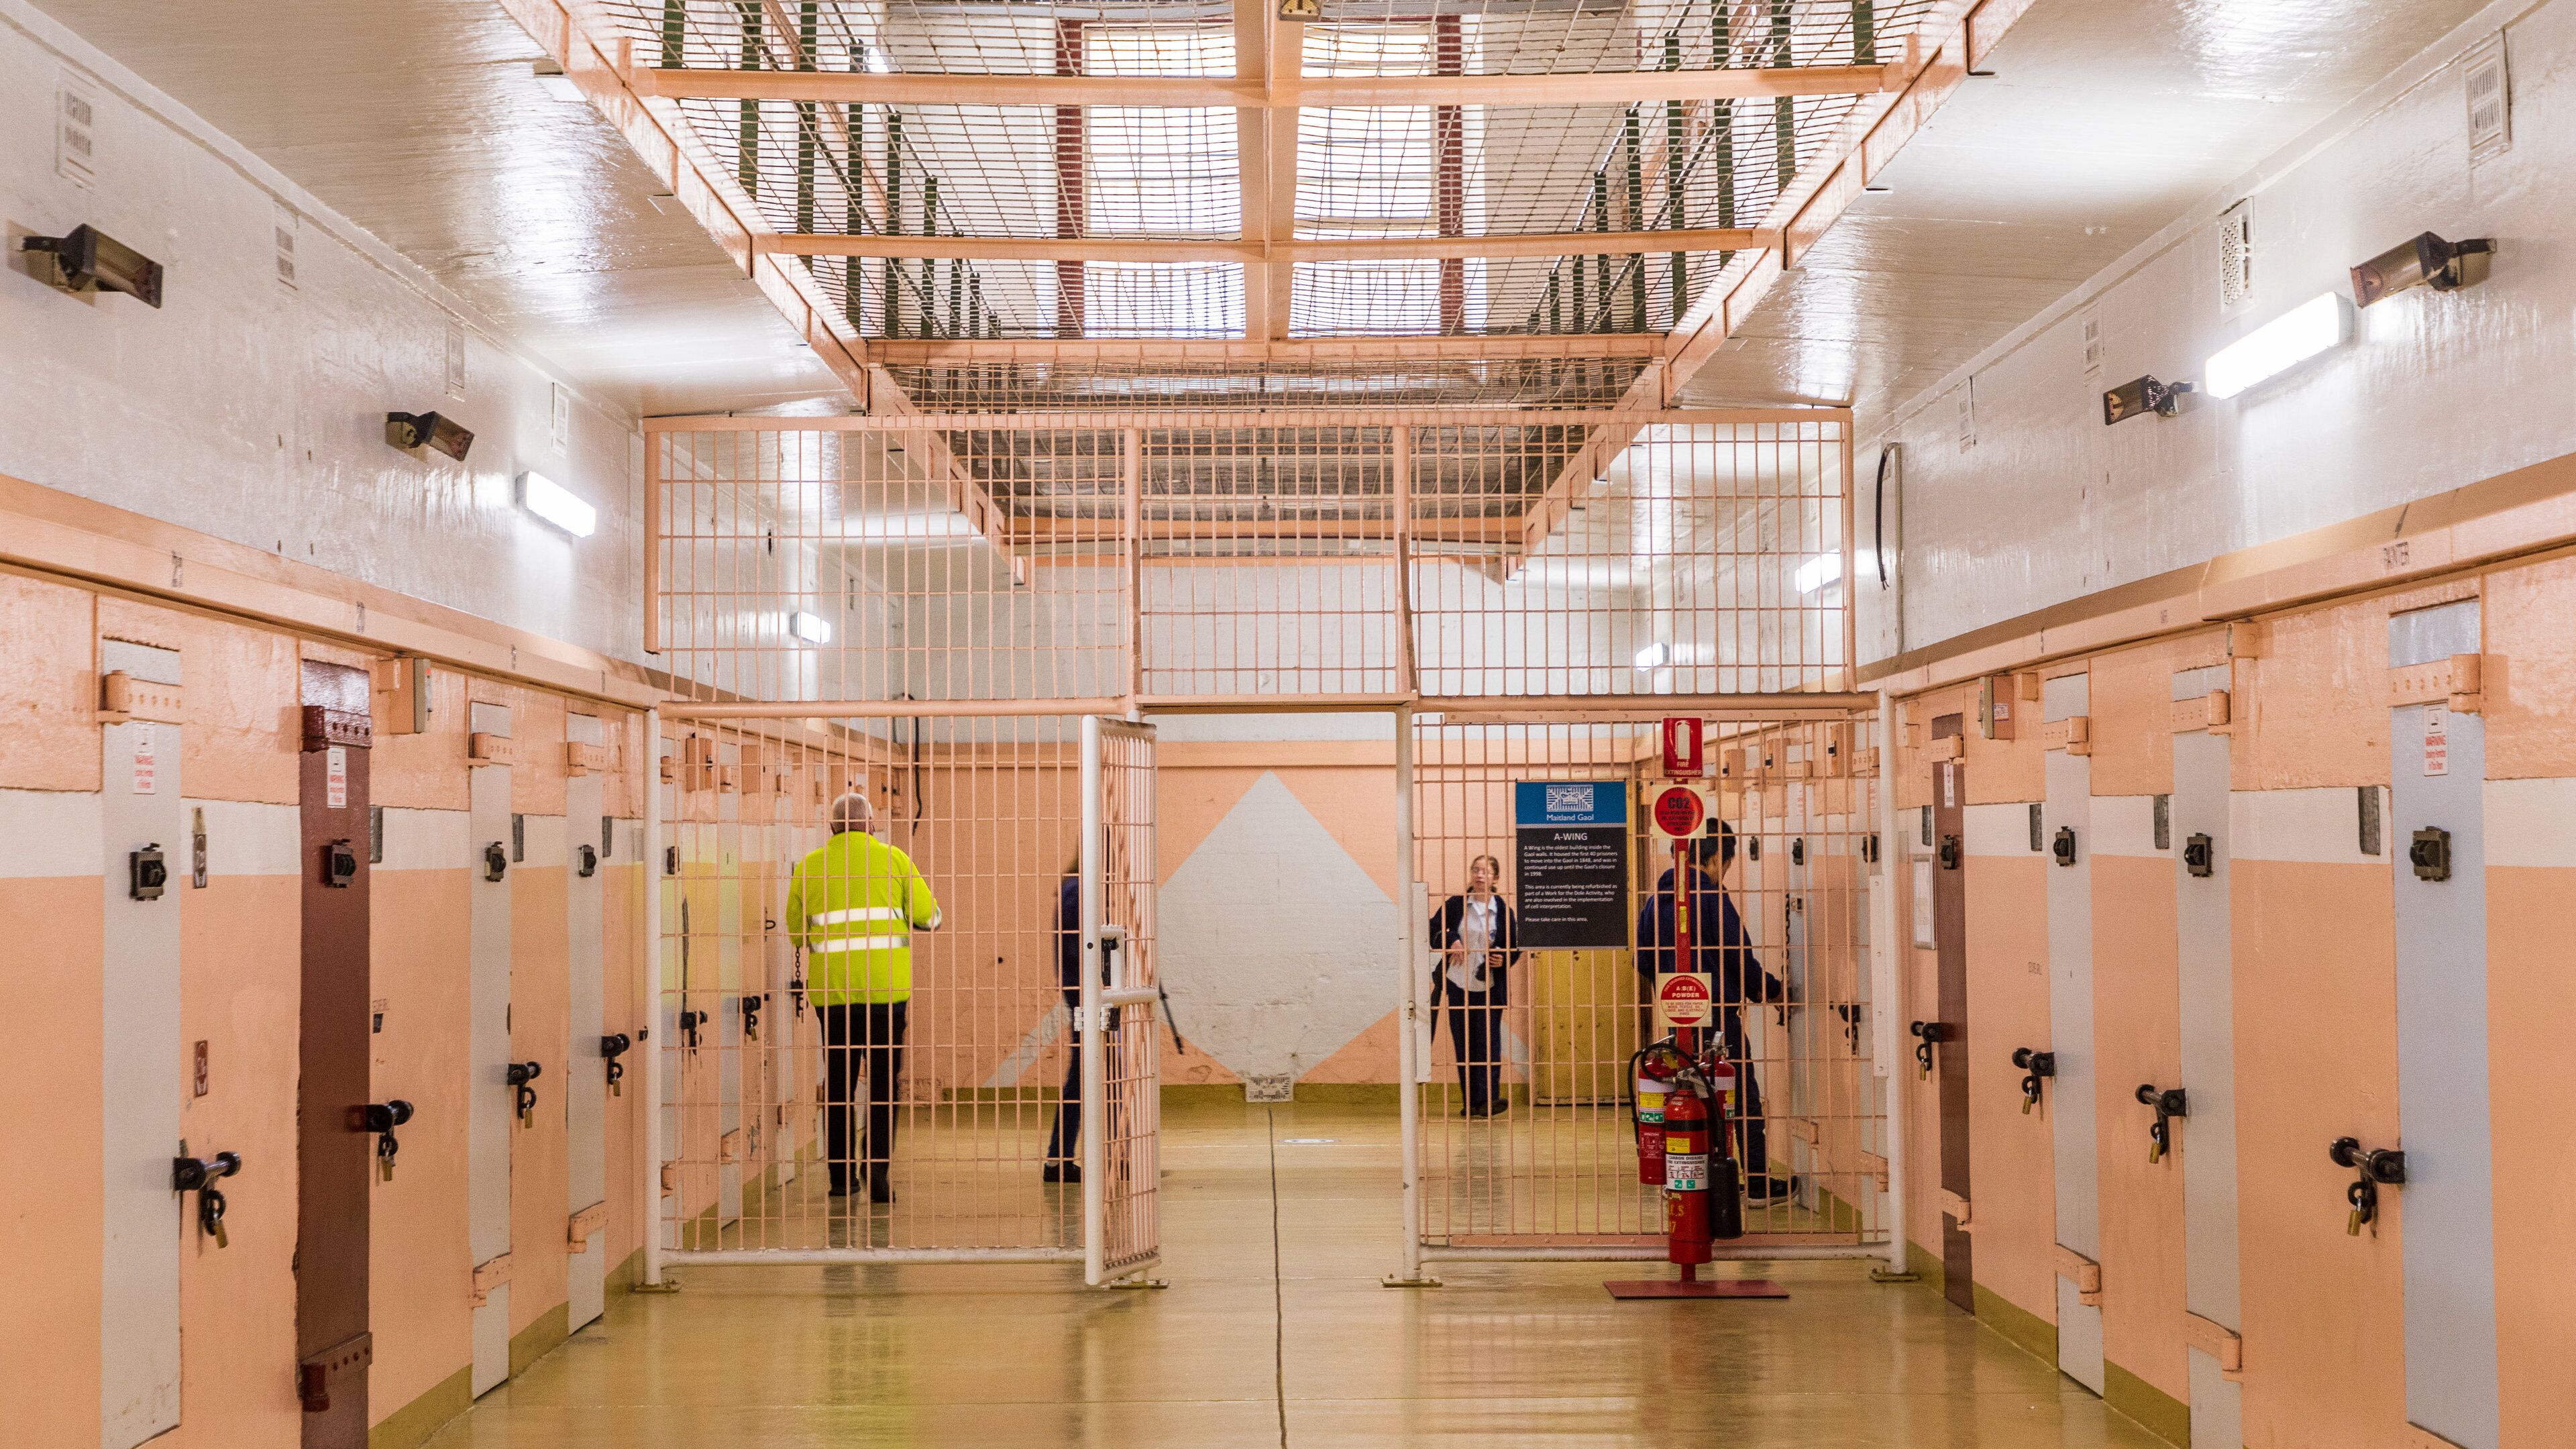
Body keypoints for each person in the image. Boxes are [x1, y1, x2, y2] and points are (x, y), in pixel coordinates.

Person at [786, 791, 941, 1205]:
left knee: (838, 1081)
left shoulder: (808, 868)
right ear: (871, 824)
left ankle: (840, 1179)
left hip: (833, 994)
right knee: (884, 1083)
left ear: (833, 827)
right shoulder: (895, 861)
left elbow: (797, 934)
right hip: (887, 992)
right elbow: (930, 917)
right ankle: (877, 1172)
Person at [1635, 822, 1791, 1200]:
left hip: (1680, 1018)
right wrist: (1770, 990)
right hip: (1719, 1016)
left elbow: (1642, 959)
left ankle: (1693, 1178)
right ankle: (1756, 1180)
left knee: (1691, 1094)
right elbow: (1739, 956)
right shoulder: (1711, 895)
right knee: (1740, 1095)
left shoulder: (1656, 901)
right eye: (1728, 861)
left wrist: (1672, 990)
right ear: (1718, 857)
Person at [1428, 853, 1519, 1118]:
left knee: (1489, 1046)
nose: (1479, 875)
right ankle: (1471, 1103)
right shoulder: (1456, 905)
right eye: (1476, 870)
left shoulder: (1503, 910)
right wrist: (1451, 938)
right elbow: (1434, 928)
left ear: (1496, 879)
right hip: (1459, 983)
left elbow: (1514, 946)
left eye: (1486, 871)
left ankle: (1489, 1101)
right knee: (1465, 1046)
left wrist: (1503, 958)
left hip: (1490, 985)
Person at [1043, 860, 1084, 1184]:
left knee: (1090, 1074)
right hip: (1087, 995)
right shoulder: (1077, 891)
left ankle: (1060, 1158)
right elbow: (1077, 949)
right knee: (1085, 1074)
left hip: (1088, 993)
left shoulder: (1076, 888)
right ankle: (1058, 1159)